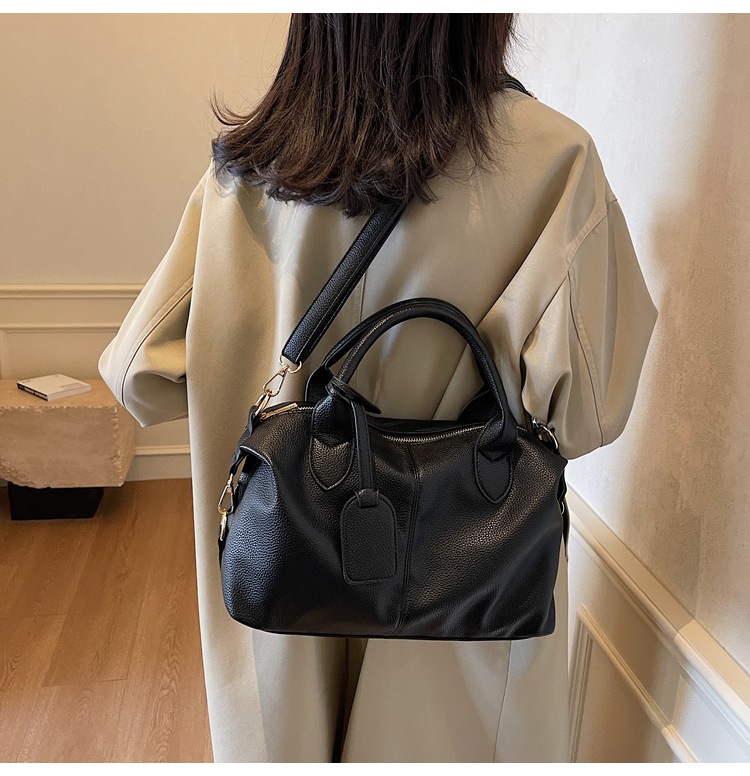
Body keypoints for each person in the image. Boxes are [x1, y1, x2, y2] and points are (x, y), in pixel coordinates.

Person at [98, 13, 658, 763]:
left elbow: (138, 374)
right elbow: (589, 412)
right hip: (467, 607)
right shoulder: (557, 163)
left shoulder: (251, 169)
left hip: (284, 601)